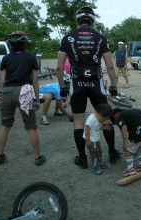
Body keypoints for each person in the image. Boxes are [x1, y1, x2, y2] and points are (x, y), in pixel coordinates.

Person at [56, 7, 120, 169]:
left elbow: (59, 67)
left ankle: (83, 158)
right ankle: (112, 152)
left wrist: (62, 87)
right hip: (95, 82)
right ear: (92, 21)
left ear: (78, 21)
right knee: (105, 118)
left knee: (78, 122)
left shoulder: (67, 37)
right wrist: (113, 86)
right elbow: (110, 66)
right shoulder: (100, 38)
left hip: (77, 83)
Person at [0, 31, 46, 166]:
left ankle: (0, 155)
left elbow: (2, 81)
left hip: (7, 91)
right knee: (30, 125)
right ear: (25, 44)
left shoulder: (5, 59)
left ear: (11, 45)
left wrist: (4, 94)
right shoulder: (31, 58)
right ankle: (37, 157)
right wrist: (36, 99)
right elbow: (35, 81)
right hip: (24, 91)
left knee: (5, 124)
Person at [111, 108, 141, 177]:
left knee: (128, 149)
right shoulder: (133, 111)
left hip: (139, 131)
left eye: (115, 120)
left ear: (114, 116)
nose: (116, 121)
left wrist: (125, 143)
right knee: (140, 146)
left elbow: (124, 127)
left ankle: (130, 169)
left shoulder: (120, 117)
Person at [83, 103, 112, 175]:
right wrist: (87, 140)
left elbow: (96, 127)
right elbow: (87, 129)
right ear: (101, 114)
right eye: (104, 119)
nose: (104, 120)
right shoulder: (91, 119)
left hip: (96, 139)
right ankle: (95, 167)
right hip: (92, 140)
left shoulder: (98, 118)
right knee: (94, 154)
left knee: (99, 152)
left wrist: (104, 128)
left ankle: (100, 163)